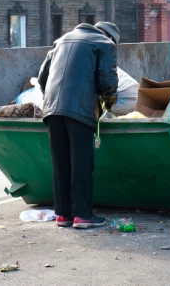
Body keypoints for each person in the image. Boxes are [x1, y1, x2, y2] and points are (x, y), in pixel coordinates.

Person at [37, 22, 119, 229]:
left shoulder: (61, 40)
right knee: (81, 163)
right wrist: (108, 104)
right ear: (109, 36)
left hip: (52, 109)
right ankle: (83, 216)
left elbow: (42, 78)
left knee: (61, 162)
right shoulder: (105, 44)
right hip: (80, 110)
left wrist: (54, 98)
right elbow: (108, 80)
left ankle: (63, 215)